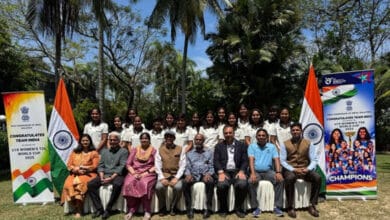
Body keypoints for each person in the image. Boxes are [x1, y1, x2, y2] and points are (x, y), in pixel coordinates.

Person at [280, 123, 321, 218]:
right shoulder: (285, 143)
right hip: (290, 169)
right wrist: (293, 169)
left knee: (317, 178)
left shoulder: (308, 143)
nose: (295, 132)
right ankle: (290, 207)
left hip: (304, 169)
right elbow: (282, 160)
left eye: (297, 130)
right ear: (291, 132)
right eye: (293, 130)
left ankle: (312, 205)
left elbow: (314, 159)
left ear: (301, 131)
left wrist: (308, 169)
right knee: (290, 178)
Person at [87, 132, 128, 219]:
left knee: (117, 184)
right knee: (91, 184)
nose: (112, 141)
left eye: (114, 140)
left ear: (119, 141)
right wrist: (101, 177)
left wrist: (111, 178)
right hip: (104, 174)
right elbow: (101, 165)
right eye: (111, 140)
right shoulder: (104, 151)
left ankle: (108, 209)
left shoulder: (124, 151)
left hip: (117, 175)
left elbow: (121, 166)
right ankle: (99, 209)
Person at [248, 129, 284, 217]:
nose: (261, 137)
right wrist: (252, 173)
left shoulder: (271, 147)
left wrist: (278, 172)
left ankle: (277, 207)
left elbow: (276, 159)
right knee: (250, 182)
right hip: (256, 172)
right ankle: (255, 207)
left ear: (267, 137)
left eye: (263, 135)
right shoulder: (252, 146)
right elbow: (251, 160)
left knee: (280, 180)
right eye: (259, 135)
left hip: (268, 171)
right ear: (256, 137)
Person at [214, 125, 248, 218]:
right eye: (226, 133)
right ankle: (223, 208)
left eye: (230, 132)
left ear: (233, 133)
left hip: (237, 171)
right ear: (223, 134)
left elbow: (245, 160)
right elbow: (216, 161)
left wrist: (242, 171)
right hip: (224, 171)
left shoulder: (242, 145)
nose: (228, 135)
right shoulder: (218, 146)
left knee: (243, 184)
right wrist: (220, 172)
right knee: (221, 185)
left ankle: (238, 208)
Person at [62, 134, 100, 218]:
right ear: (80, 142)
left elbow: (95, 166)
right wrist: (75, 169)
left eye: (87, 140)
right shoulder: (74, 152)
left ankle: (79, 210)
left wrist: (85, 169)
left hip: (89, 174)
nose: (85, 142)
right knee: (67, 184)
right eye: (83, 140)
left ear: (90, 142)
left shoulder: (94, 152)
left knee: (78, 185)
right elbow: (69, 165)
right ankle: (74, 207)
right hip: (75, 173)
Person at [122, 132, 157, 220]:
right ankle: (131, 210)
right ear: (140, 140)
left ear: (149, 140)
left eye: (146, 138)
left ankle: (147, 211)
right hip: (134, 172)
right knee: (128, 183)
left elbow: (156, 165)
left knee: (144, 184)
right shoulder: (134, 150)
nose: (144, 140)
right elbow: (128, 164)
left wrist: (145, 173)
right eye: (142, 138)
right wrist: (134, 173)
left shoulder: (153, 150)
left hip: (148, 173)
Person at [183, 133, 215, 219]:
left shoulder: (209, 152)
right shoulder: (189, 153)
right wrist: (188, 174)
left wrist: (208, 174)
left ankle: (208, 208)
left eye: (200, 140)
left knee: (211, 182)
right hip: (193, 174)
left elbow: (212, 166)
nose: (198, 141)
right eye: (196, 139)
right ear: (194, 141)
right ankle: (189, 208)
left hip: (205, 174)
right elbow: (187, 166)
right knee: (185, 183)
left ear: (203, 141)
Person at [155, 130, 186, 216]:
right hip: (164, 174)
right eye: (167, 136)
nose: (169, 138)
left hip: (175, 174)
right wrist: (161, 178)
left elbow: (183, 165)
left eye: (171, 136)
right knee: (158, 187)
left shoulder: (180, 149)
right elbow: (157, 165)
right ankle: (163, 207)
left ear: (174, 138)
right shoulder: (160, 149)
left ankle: (173, 207)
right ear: (165, 138)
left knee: (179, 187)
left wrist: (177, 178)